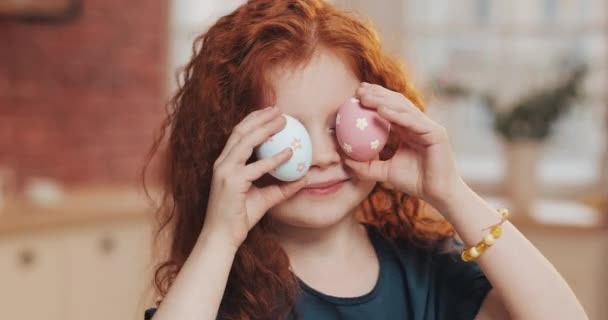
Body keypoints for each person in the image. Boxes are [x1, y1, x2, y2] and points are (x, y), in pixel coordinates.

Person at [141, 0, 588, 319]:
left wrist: (452, 193)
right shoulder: (220, 290)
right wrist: (220, 237)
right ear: (231, 144)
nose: (319, 158)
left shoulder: (429, 271)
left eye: (341, 124)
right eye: (286, 134)